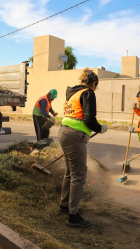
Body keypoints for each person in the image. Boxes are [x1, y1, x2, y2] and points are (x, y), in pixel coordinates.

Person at [59, 68, 108, 228]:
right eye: (96, 86)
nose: (95, 89)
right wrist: (100, 128)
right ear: (94, 83)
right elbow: (89, 119)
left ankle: (65, 205)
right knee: (79, 175)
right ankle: (73, 216)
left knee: (69, 172)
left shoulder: (72, 93)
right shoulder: (88, 93)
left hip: (64, 132)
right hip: (75, 135)